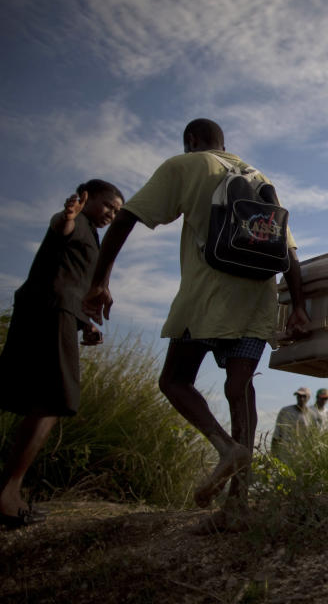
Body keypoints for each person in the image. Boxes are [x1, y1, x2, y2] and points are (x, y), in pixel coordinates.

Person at [82, 119, 310, 529]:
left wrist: (99, 280)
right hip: (258, 299)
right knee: (240, 388)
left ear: (191, 140)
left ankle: (226, 447)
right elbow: (287, 250)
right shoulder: (259, 177)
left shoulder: (187, 165)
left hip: (207, 297)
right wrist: (298, 308)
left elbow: (126, 217)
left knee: (174, 380)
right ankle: (237, 505)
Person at [0, 180, 124, 528]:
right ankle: (8, 495)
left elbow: (69, 276)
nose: (111, 215)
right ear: (86, 198)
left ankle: (9, 492)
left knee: (39, 400)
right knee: (55, 400)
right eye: (107, 206)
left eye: (116, 212)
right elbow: (61, 227)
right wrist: (70, 214)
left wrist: (85, 322)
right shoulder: (75, 220)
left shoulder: (92, 235)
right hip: (52, 311)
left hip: (53, 310)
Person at [271, 388, 315, 459]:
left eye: (304, 396)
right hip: (284, 453)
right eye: (299, 396)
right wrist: (273, 455)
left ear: (308, 398)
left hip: (302, 455)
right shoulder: (285, 411)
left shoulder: (311, 415)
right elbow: (277, 433)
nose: (301, 398)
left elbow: (312, 437)